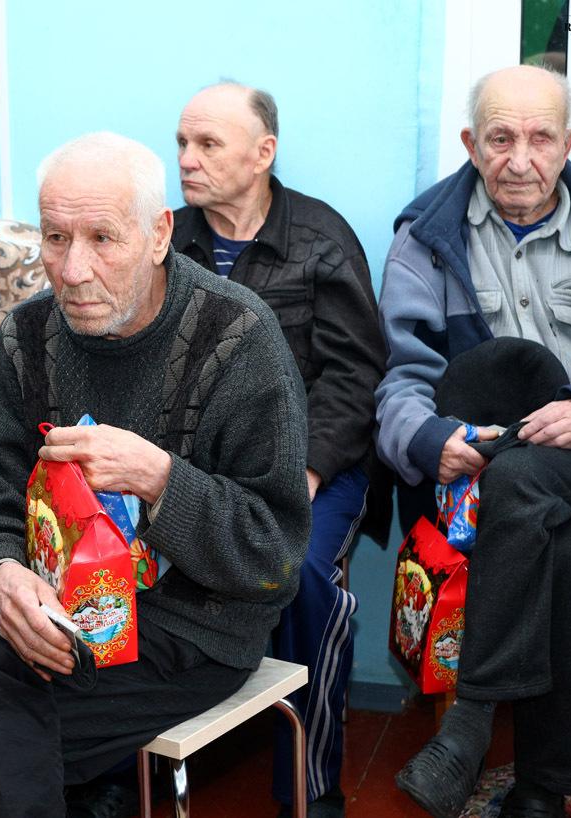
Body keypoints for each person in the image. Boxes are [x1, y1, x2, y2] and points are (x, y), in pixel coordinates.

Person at [0, 131, 312, 818]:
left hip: (188, 624)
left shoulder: (240, 337)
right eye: (55, 238)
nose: (72, 270)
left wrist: (161, 479)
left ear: (159, 235)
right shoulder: (24, 339)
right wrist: (2, 573)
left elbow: (273, 554)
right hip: (57, 606)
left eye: (102, 239)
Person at [376, 64, 571, 818]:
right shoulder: (425, 240)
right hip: (475, 458)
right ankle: (541, 790)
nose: (520, 160)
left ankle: (471, 718)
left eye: (539, 139)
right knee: (548, 541)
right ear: (471, 144)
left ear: (568, 144)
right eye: (500, 139)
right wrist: (432, 438)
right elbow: (398, 382)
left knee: (523, 483)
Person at [172, 82, 386, 818]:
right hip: (196, 469)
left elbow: (357, 375)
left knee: (303, 576)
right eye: (182, 143)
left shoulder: (322, 240)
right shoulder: (165, 240)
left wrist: (307, 470)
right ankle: (116, 768)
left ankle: (308, 782)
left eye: (208, 144)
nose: (187, 159)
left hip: (314, 466)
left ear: (263, 153)